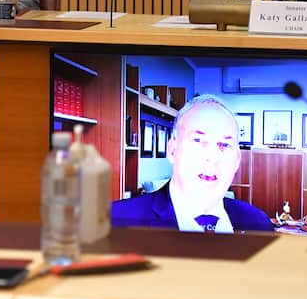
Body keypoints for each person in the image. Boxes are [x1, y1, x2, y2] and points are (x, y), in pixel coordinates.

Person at [111, 95, 274, 233]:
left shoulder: (259, 224)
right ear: (172, 150)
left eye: (224, 145)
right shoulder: (115, 221)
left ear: (237, 160)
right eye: (198, 141)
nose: (212, 157)